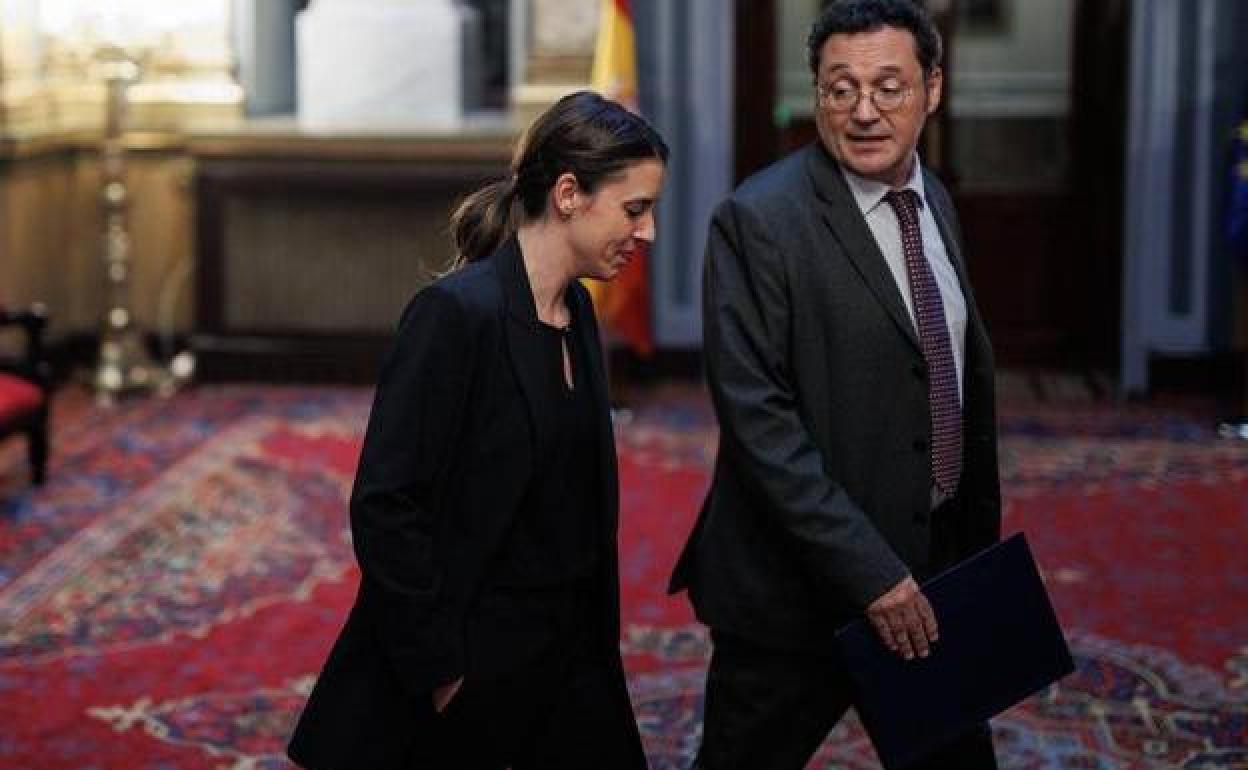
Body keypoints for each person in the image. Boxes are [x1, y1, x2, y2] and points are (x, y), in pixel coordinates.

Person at [287, 90, 668, 770]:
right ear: (569, 194)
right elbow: (386, 504)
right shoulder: (456, 316)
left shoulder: (578, 312)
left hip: (572, 660)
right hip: (469, 665)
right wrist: (439, 670)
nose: (648, 233)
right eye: (634, 209)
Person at [668, 1, 1001, 768]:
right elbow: (760, 427)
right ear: (817, 93)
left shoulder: (933, 198)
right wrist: (871, 574)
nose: (864, 111)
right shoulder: (758, 220)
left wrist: (964, 555)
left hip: (930, 572)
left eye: (889, 87)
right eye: (840, 88)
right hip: (795, 594)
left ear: (933, 88)